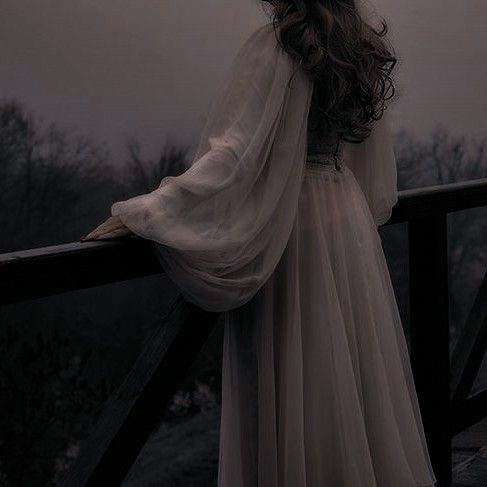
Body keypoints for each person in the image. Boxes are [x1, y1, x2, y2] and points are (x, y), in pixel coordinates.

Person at [83, 1, 437, 485]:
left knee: (296, 373)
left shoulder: (281, 45)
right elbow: (371, 171)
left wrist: (153, 208)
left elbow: (234, 154)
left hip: (294, 227)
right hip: (345, 217)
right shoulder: (358, 45)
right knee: (341, 375)